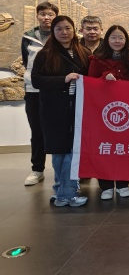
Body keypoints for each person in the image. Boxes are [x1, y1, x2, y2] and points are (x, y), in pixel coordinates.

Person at [31, 16, 89, 207]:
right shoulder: (45, 54)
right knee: (60, 151)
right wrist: (63, 79)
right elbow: (36, 81)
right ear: (53, 32)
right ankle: (66, 194)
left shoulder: (83, 52)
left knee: (72, 150)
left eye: (67, 28)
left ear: (74, 30)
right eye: (59, 29)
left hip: (78, 108)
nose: (64, 32)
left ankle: (62, 191)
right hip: (54, 110)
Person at [88, 25, 129, 200]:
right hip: (103, 112)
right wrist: (103, 80)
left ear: (126, 40)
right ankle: (106, 185)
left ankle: (123, 183)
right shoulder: (97, 59)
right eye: (113, 37)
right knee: (105, 148)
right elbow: (90, 84)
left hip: (128, 112)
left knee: (124, 148)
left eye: (121, 38)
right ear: (107, 39)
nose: (117, 41)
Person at [21, 2, 58, 186]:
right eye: (43, 14)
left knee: (61, 130)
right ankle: (37, 169)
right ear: (37, 16)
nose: (46, 17)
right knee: (37, 131)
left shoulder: (61, 35)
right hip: (34, 90)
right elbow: (26, 61)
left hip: (57, 90)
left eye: (50, 14)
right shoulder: (28, 36)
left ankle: (62, 171)